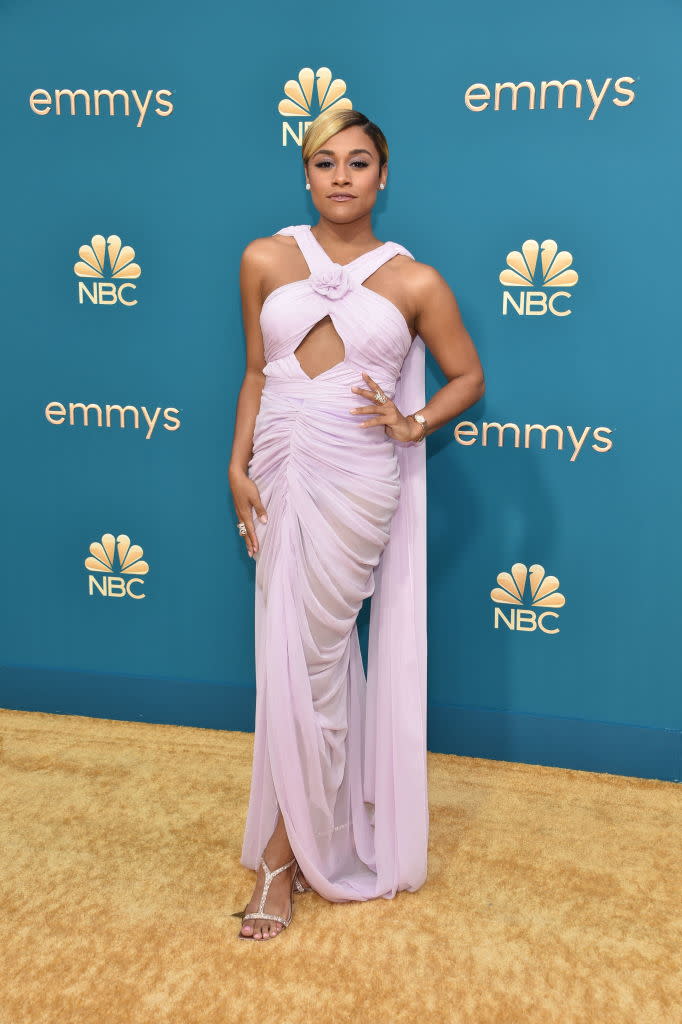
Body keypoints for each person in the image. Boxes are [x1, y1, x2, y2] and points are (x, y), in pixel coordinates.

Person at [228, 108, 484, 941]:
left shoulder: (416, 282)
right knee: (291, 662)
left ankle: (283, 855)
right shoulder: (263, 260)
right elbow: (255, 374)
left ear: (384, 176)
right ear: (305, 174)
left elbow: (467, 375)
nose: (342, 176)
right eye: (325, 161)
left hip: (356, 480)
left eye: (360, 162)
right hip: (277, 469)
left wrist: (414, 425)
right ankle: (295, 840)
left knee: (316, 657)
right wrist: (236, 465)